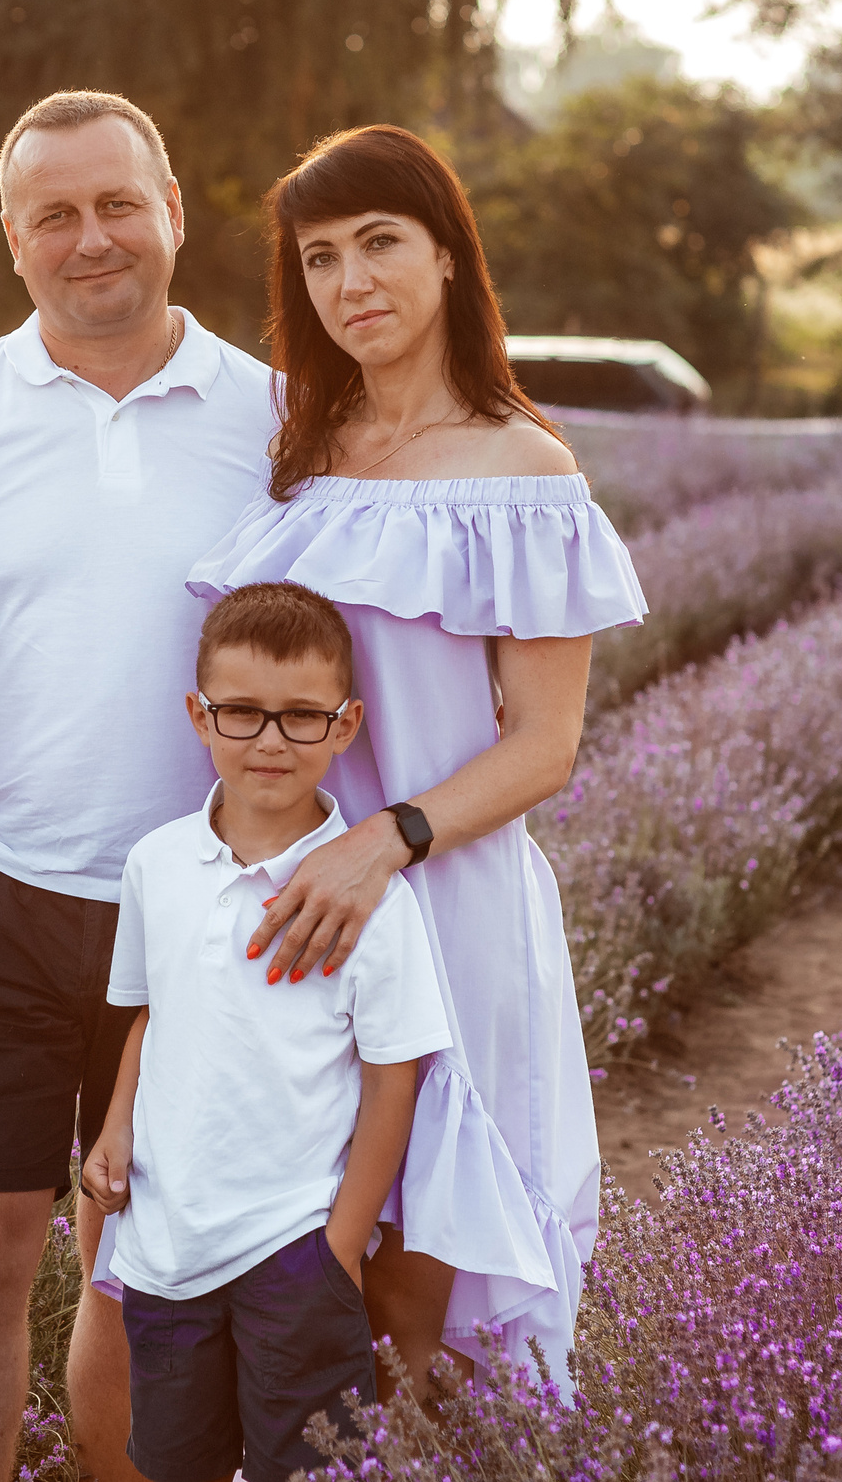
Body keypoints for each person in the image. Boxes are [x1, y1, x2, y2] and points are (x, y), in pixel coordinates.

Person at [188, 124, 648, 1390]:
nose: (352, 282)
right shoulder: (297, 465)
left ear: (448, 258)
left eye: (381, 243)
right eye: (321, 257)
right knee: (294, 1268)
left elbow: (546, 746)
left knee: (419, 1300)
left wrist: (377, 843)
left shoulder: (522, 469)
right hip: (290, 914)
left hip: (437, 904)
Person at [0, 91, 277, 1482]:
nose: (91, 237)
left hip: (200, 907)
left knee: (148, 1266)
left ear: (173, 212)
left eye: (118, 204)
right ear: (13, 240)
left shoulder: (278, 421)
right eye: (54, 214)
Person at [80, 581, 451, 1482]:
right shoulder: (156, 864)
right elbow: (148, 1016)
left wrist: (339, 1246)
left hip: (296, 1247)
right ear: (197, 715)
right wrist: (117, 1129)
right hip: (168, 1246)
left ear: (347, 722)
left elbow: (392, 1078)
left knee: (311, 1468)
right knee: (175, 1463)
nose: (271, 740)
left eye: (300, 717)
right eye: (241, 713)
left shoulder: (369, 896)